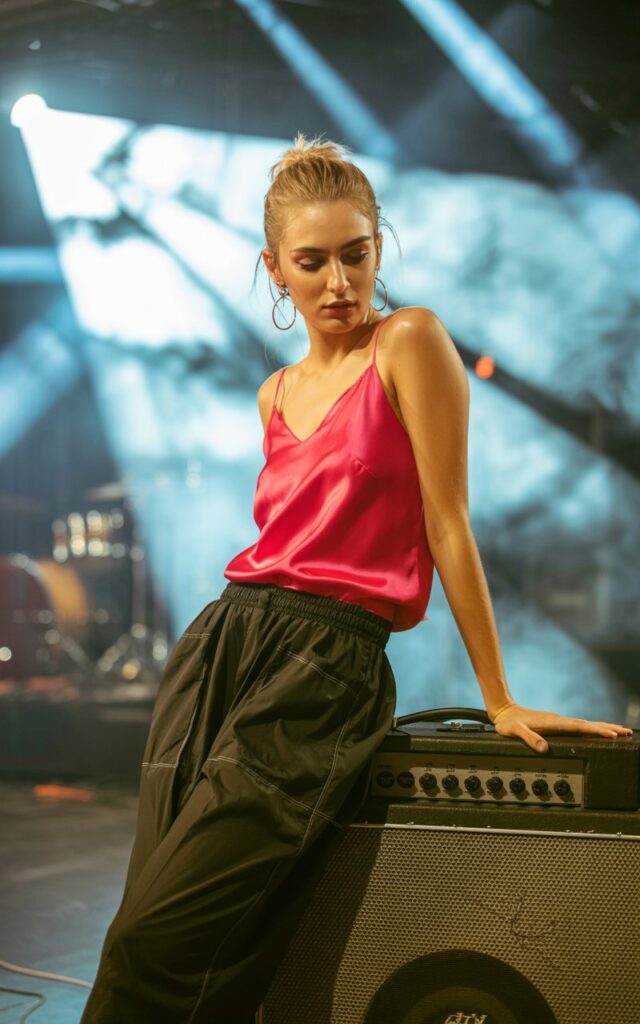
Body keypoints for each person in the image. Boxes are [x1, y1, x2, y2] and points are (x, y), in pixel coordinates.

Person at [80, 132, 632, 1024]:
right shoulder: (273, 394)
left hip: (323, 665)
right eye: (312, 262)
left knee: (158, 941)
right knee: (161, 936)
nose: (338, 283)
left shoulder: (409, 341)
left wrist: (498, 696)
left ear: (379, 247)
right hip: (220, 650)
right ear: (274, 270)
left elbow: (448, 522)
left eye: (355, 255)